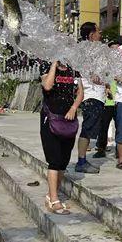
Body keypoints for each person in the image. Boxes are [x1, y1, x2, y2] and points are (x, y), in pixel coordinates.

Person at [39, 60, 83, 213]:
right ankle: (54, 200)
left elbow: (80, 92)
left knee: (64, 161)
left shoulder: (73, 68)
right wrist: (53, 65)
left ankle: (51, 195)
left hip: (68, 119)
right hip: (50, 119)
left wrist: (74, 108)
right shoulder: (45, 65)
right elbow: (47, 86)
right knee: (54, 160)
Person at [75, 22, 106, 174]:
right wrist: (92, 75)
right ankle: (81, 162)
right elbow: (84, 69)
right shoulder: (86, 51)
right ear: (91, 35)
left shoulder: (93, 50)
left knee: (90, 129)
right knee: (87, 130)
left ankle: (83, 160)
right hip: (91, 95)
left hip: (97, 95)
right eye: (98, 31)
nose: (100, 34)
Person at [94, 41, 122, 159]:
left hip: (121, 100)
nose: (115, 52)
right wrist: (106, 87)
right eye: (112, 49)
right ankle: (101, 148)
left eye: (117, 49)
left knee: (121, 127)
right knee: (103, 126)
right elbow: (100, 78)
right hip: (107, 101)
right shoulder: (104, 65)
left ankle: (120, 151)